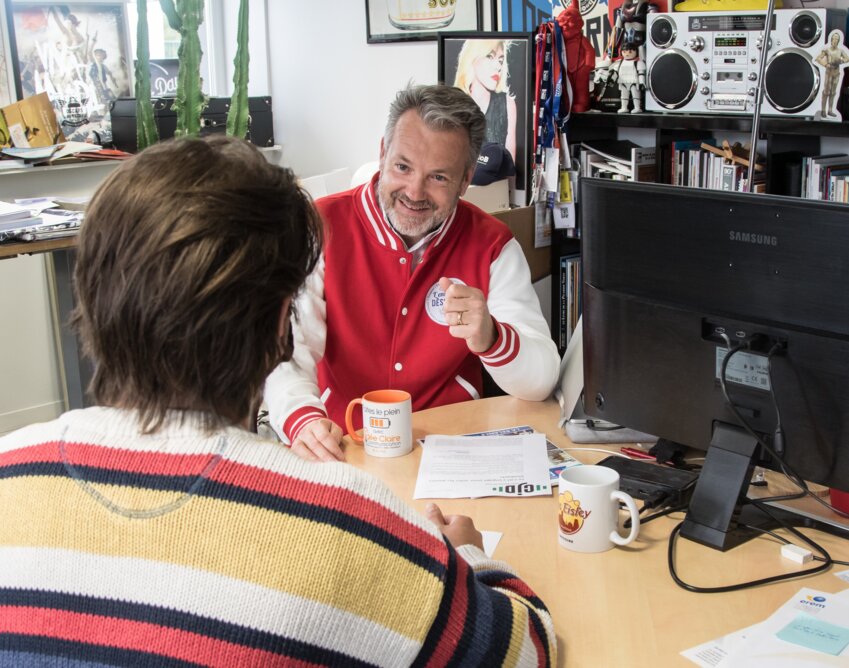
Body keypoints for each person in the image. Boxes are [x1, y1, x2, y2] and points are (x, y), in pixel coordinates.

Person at [0, 135, 556, 666]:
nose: (415, 189)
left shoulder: (10, 478)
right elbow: (528, 648)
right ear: (278, 323)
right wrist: (465, 556)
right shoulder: (344, 528)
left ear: (91, 292)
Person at [265, 84, 560, 462]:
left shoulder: (494, 246)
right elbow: (286, 352)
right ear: (383, 153)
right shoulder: (318, 226)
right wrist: (301, 419)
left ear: (466, 178)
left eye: (438, 177)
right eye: (403, 167)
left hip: (454, 450)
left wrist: (491, 337)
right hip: (341, 446)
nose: (414, 192)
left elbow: (542, 379)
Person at [453, 40, 518, 166]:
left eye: (500, 60)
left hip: (498, 185)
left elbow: (511, 169)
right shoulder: (453, 104)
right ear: (472, 58)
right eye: (490, 56)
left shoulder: (508, 105)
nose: (498, 66)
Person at [815, 30, 849, 118]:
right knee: (826, 92)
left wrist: (841, 61)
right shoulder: (826, 50)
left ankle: (830, 110)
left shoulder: (841, 50)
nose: (835, 41)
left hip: (836, 73)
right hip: (828, 72)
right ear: (831, 40)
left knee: (833, 92)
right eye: (833, 39)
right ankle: (823, 110)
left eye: (836, 39)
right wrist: (825, 64)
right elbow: (818, 58)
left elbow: (847, 58)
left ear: (838, 41)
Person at [609, 41, 645, 113]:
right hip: (623, 82)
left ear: (636, 52)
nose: (627, 54)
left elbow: (641, 73)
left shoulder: (638, 62)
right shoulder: (620, 62)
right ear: (621, 52)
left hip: (634, 81)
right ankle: (624, 107)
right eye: (625, 52)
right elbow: (616, 72)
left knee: (636, 95)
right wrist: (612, 80)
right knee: (624, 96)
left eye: (630, 52)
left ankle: (637, 107)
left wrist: (642, 83)